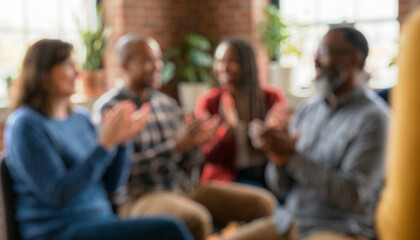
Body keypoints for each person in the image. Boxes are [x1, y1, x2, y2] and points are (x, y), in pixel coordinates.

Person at [3, 39, 194, 240]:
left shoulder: (80, 118)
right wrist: (105, 145)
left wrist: (122, 142)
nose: (78, 74)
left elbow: (111, 185)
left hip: (100, 222)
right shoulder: (25, 125)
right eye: (69, 65)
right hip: (58, 230)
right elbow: (58, 194)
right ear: (43, 72)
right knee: (169, 229)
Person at [93, 34, 278, 240]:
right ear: (124, 65)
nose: (157, 66)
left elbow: (188, 166)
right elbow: (117, 174)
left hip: (182, 187)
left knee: (264, 203)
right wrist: (176, 146)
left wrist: (196, 145)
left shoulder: (167, 104)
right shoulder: (109, 109)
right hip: (138, 196)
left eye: (158, 59)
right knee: (195, 219)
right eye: (147, 60)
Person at [230, 27, 390, 240]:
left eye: (325, 51)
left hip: (339, 229)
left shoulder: (375, 118)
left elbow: (354, 196)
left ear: (353, 59)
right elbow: (280, 187)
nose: (316, 59)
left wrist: (292, 158)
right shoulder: (308, 110)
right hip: (288, 221)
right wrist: (277, 157)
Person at [194, 37, 288, 187]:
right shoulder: (209, 100)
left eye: (231, 61)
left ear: (246, 65)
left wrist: (270, 134)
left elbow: (283, 144)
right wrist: (229, 130)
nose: (223, 67)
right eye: (219, 61)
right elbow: (206, 156)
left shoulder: (271, 97)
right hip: (227, 178)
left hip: (267, 173)